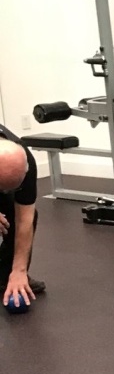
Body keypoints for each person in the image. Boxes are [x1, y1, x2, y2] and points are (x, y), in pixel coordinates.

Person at [0, 127, 43, 313]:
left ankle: (7, 276)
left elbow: (24, 219)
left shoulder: (25, 161)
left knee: (27, 215)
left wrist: (19, 270)